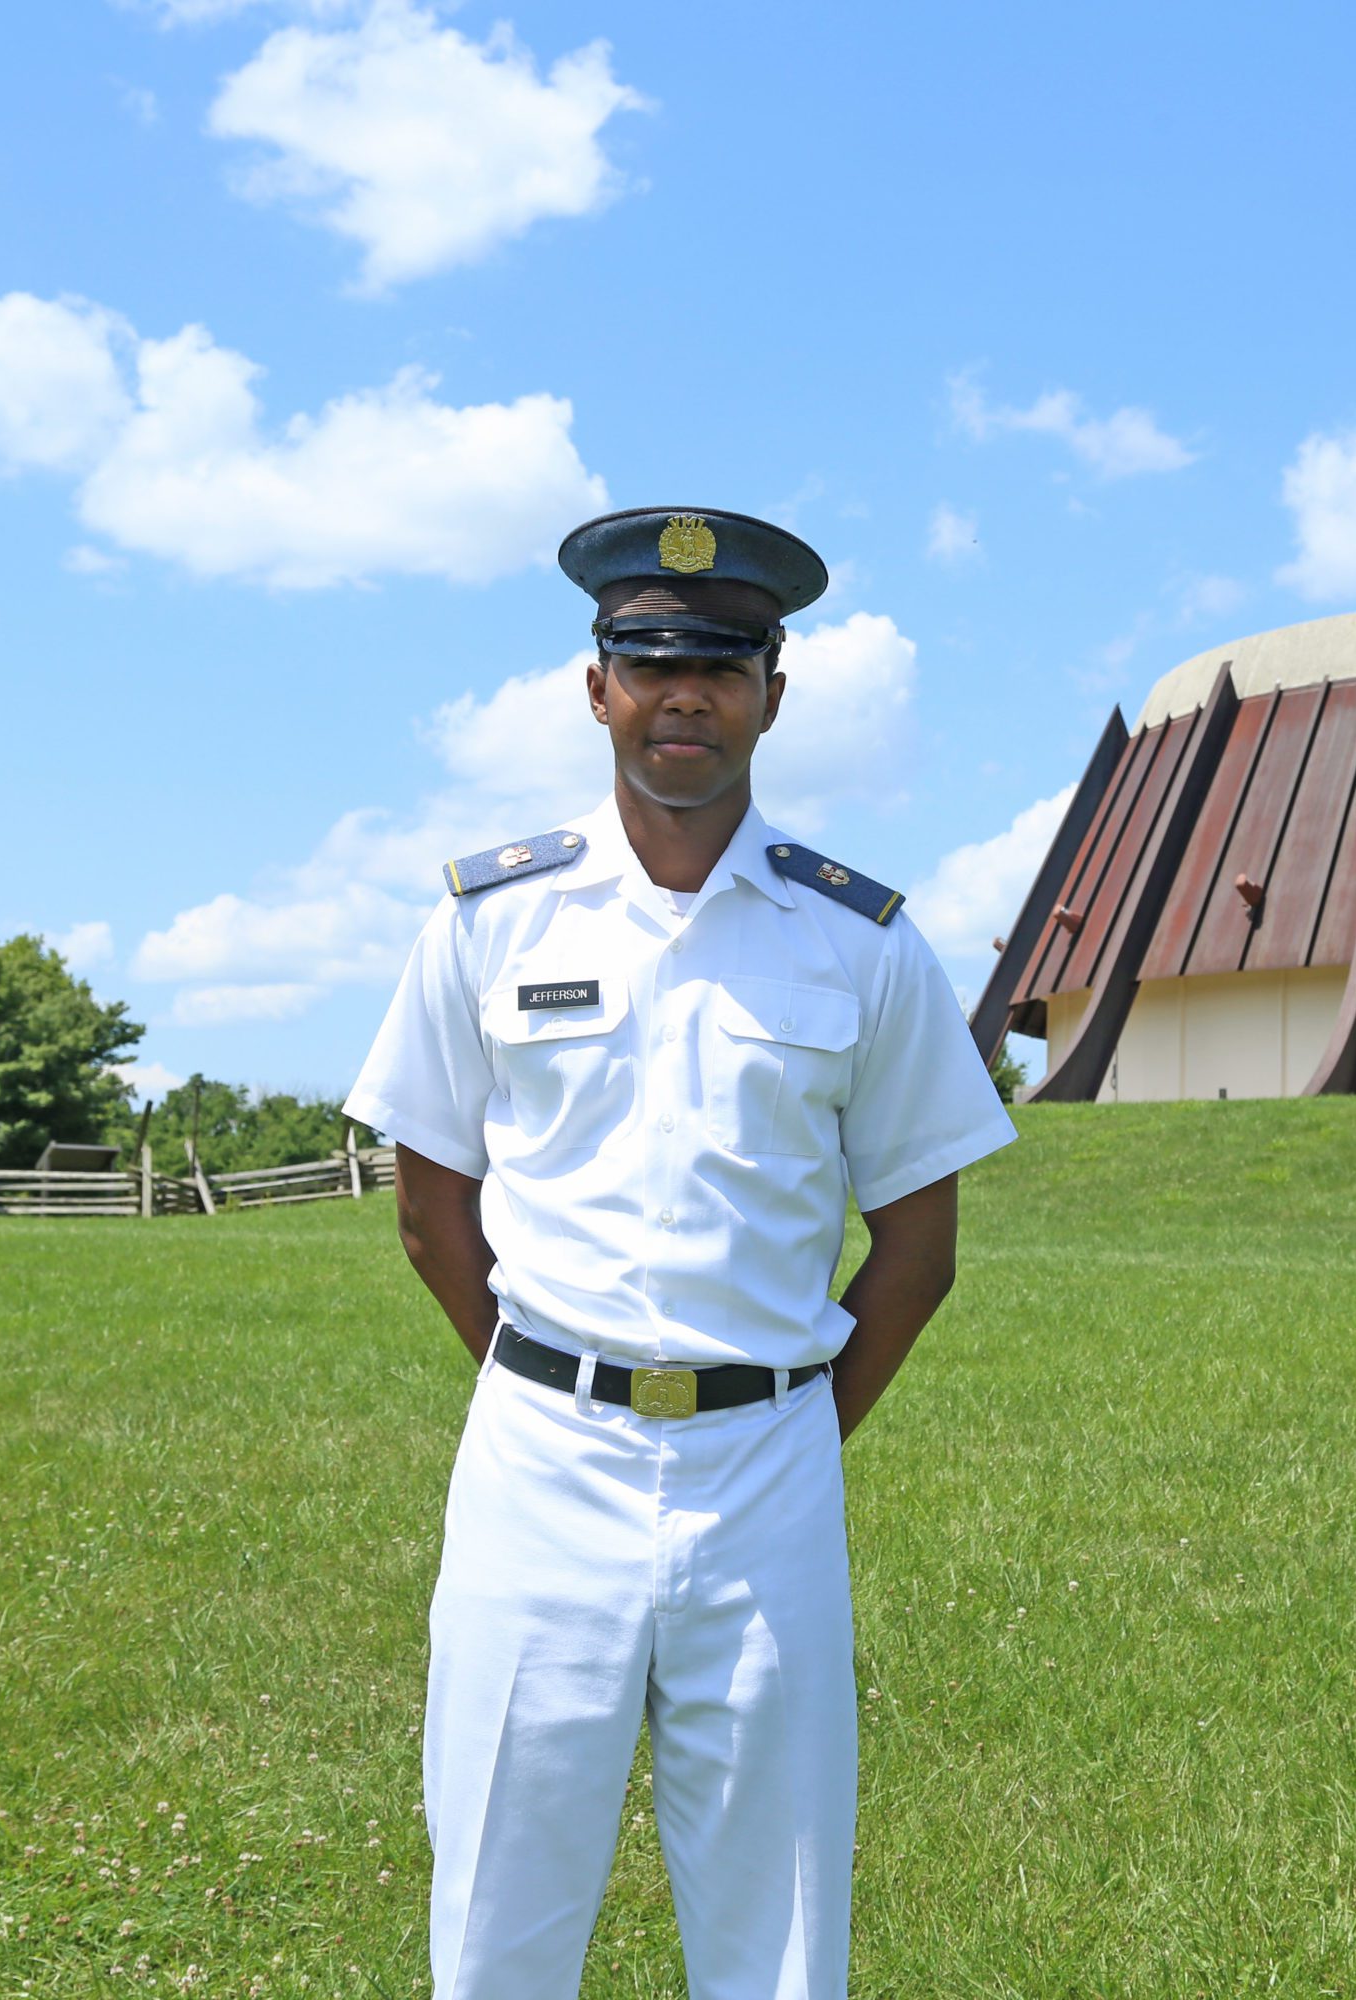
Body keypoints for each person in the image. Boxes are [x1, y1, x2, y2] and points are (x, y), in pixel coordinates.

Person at [344, 506, 1018, 1998]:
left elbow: (919, 1244)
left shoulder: (865, 943)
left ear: (775, 692)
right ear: (598, 688)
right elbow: (428, 1204)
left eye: (724, 662)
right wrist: (551, 1379)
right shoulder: (488, 920)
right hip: (539, 1469)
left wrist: (791, 1426)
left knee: (778, 1936)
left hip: (768, 1475)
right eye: (652, 661)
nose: (685, 696)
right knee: (497, 1920)